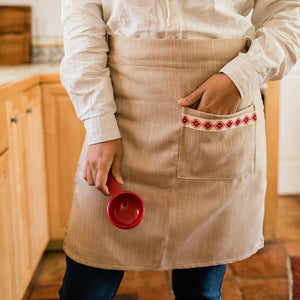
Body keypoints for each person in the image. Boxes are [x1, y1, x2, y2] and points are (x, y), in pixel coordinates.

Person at [58, 1, 300, 299]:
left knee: (200, 292)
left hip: (219, 112)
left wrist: (241, 77)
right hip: (119, 126)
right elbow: (82, 31)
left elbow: (289, 14)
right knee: (84, 289)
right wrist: (99, 126)